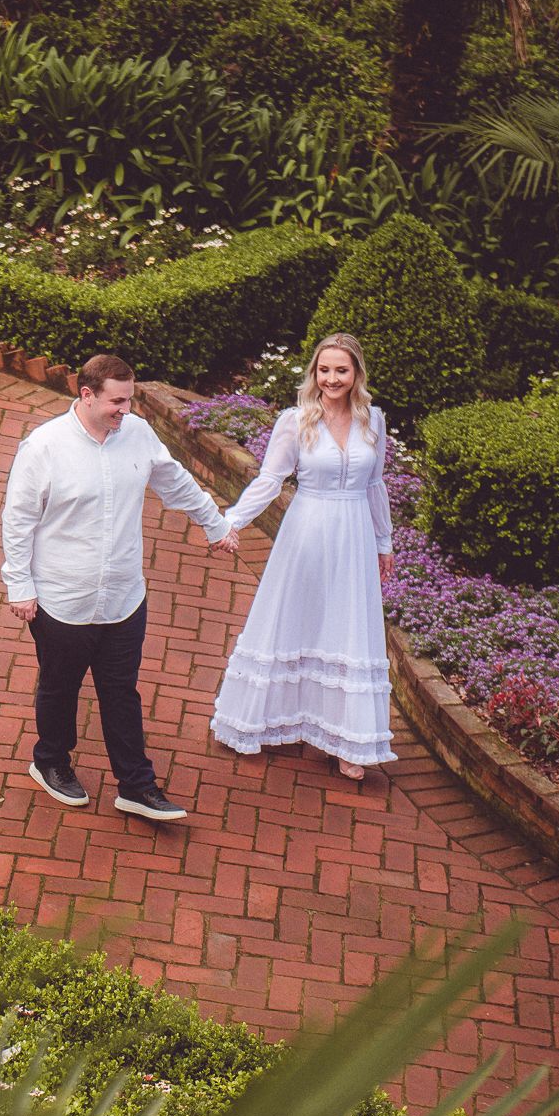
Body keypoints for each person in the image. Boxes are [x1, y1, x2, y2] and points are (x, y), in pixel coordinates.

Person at [1, 353, 239, 822]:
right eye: (117, 401)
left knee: (121, 690)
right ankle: (50, 761)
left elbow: (175, 481)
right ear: (86, 395)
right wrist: (19, 586)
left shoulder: (138, 433)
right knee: (60, 685)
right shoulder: (43, 447)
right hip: (62, 598)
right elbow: (18, 520)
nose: (125, 410)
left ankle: (136, 785)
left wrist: (214, 524)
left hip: (125, 597)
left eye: (129, 400)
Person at [210, 332, 396, 780]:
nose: (332, 378)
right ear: (314, 373)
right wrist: (231, 520)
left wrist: (384, 542)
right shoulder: (296, 421)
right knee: (293, 617)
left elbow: (375, 485)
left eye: (341, 370)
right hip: (307, 530)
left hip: (353, 534)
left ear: (356, 375)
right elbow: (270, 479)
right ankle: (259, 718)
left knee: (347, 627)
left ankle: (350, 741)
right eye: (324, 370)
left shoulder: (374, 421)